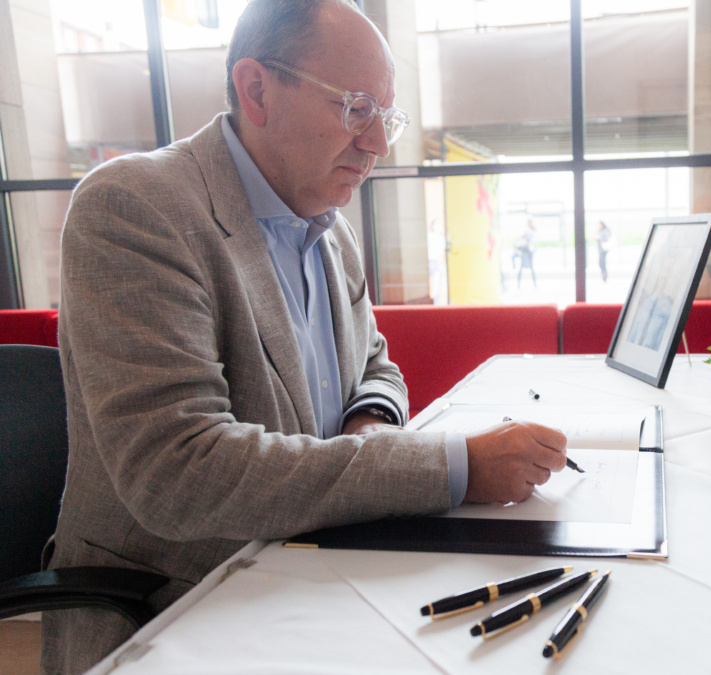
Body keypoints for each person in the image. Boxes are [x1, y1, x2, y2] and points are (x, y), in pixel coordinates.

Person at [43, 1, 567, 672]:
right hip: (178, 605)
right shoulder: (136, 208)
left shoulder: (327, 223)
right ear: (256, 89)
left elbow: (376, 364)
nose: (378, 143)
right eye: (354, 108)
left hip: (310, 573)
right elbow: (177, 474)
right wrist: (454, 467)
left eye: (386, 115)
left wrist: (371, 423)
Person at [515, 219, 538, 289]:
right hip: (524, 250)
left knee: (531, 267)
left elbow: (533, 241)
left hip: (529, 251)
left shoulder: (533, 230)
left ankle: (535, 284)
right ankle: (518, 284)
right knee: (521, 267)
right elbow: (520, 239)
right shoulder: (525, 230)